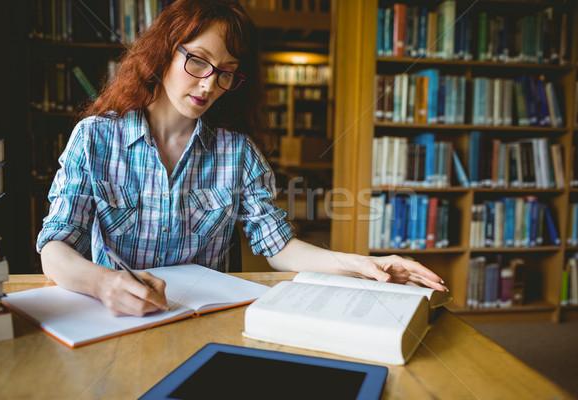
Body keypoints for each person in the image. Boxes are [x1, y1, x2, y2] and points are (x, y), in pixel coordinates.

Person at [38, 0, 447, 317]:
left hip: (199, 320)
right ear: (163, 51)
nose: (209, 84)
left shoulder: (236, 153)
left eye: (225, 72)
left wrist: (362, 265)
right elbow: (55, 246)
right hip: (112, 317)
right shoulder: (95, 138)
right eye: (197, 60)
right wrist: (104, 284)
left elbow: (278, 247)